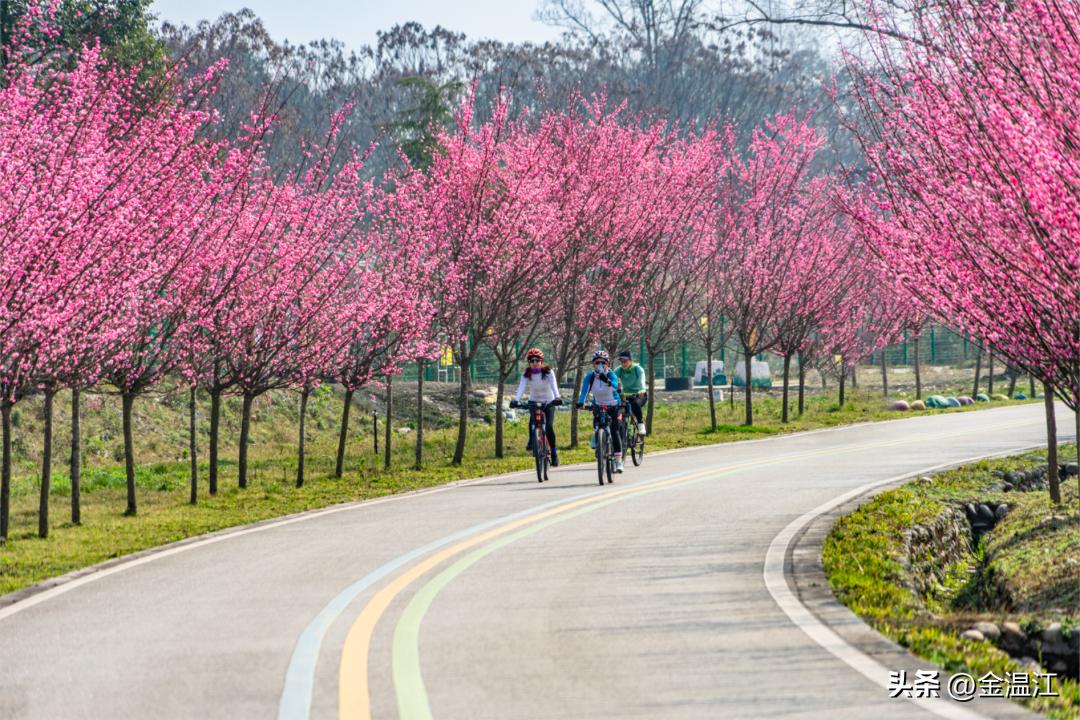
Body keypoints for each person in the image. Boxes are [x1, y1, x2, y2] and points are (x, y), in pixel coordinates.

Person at [510, 348, 562, 466]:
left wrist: (557, 398)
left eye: (537, 360)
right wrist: (516, 400)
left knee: (548, 426)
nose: (534, 363)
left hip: (548, 401)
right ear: (529, 362)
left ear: (541, 361)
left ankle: (554, 453)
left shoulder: (548, 372)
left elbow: (554, 386)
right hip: (534, 400)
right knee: (532, 422)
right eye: (531, 360)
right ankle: (532, 440)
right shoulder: (526, 373)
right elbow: (522, 387)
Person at [576, 350, 624, 472]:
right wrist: (581, 402)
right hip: (598, 403)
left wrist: (606, 380)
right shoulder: (590, 376)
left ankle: (619, 462)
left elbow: (615, 386)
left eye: (603, 362)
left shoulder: (611, 374)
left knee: (614, 431)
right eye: (597, 362)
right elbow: (585, 391)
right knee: (597, 423)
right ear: (593, 364)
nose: (600, 365)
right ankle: (597, 434)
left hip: (613, 405)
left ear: (608, 364)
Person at [615, 350, 647, 436]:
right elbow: (612, 378)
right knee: (617, 408)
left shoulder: (638, 369)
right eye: (621, 362)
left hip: (639, 394)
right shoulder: (619, 370)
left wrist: (642, 389)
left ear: (631, 360)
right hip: (626, 395)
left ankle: (640, 424)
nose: (623, 363)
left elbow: (642, 380)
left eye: (625, 361)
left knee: (635, 404)